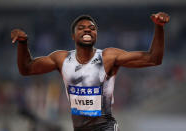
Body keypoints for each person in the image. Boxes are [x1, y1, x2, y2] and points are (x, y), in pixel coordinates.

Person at [11, 12, 170, 131]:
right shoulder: (61, 59)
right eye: (81, 28)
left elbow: (153, 59)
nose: (87, 30)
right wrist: (23, 44)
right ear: (73, 36)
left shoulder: (108, 57)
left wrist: (159, 27)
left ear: (96, 34)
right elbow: (26, 69)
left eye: (91, 28)